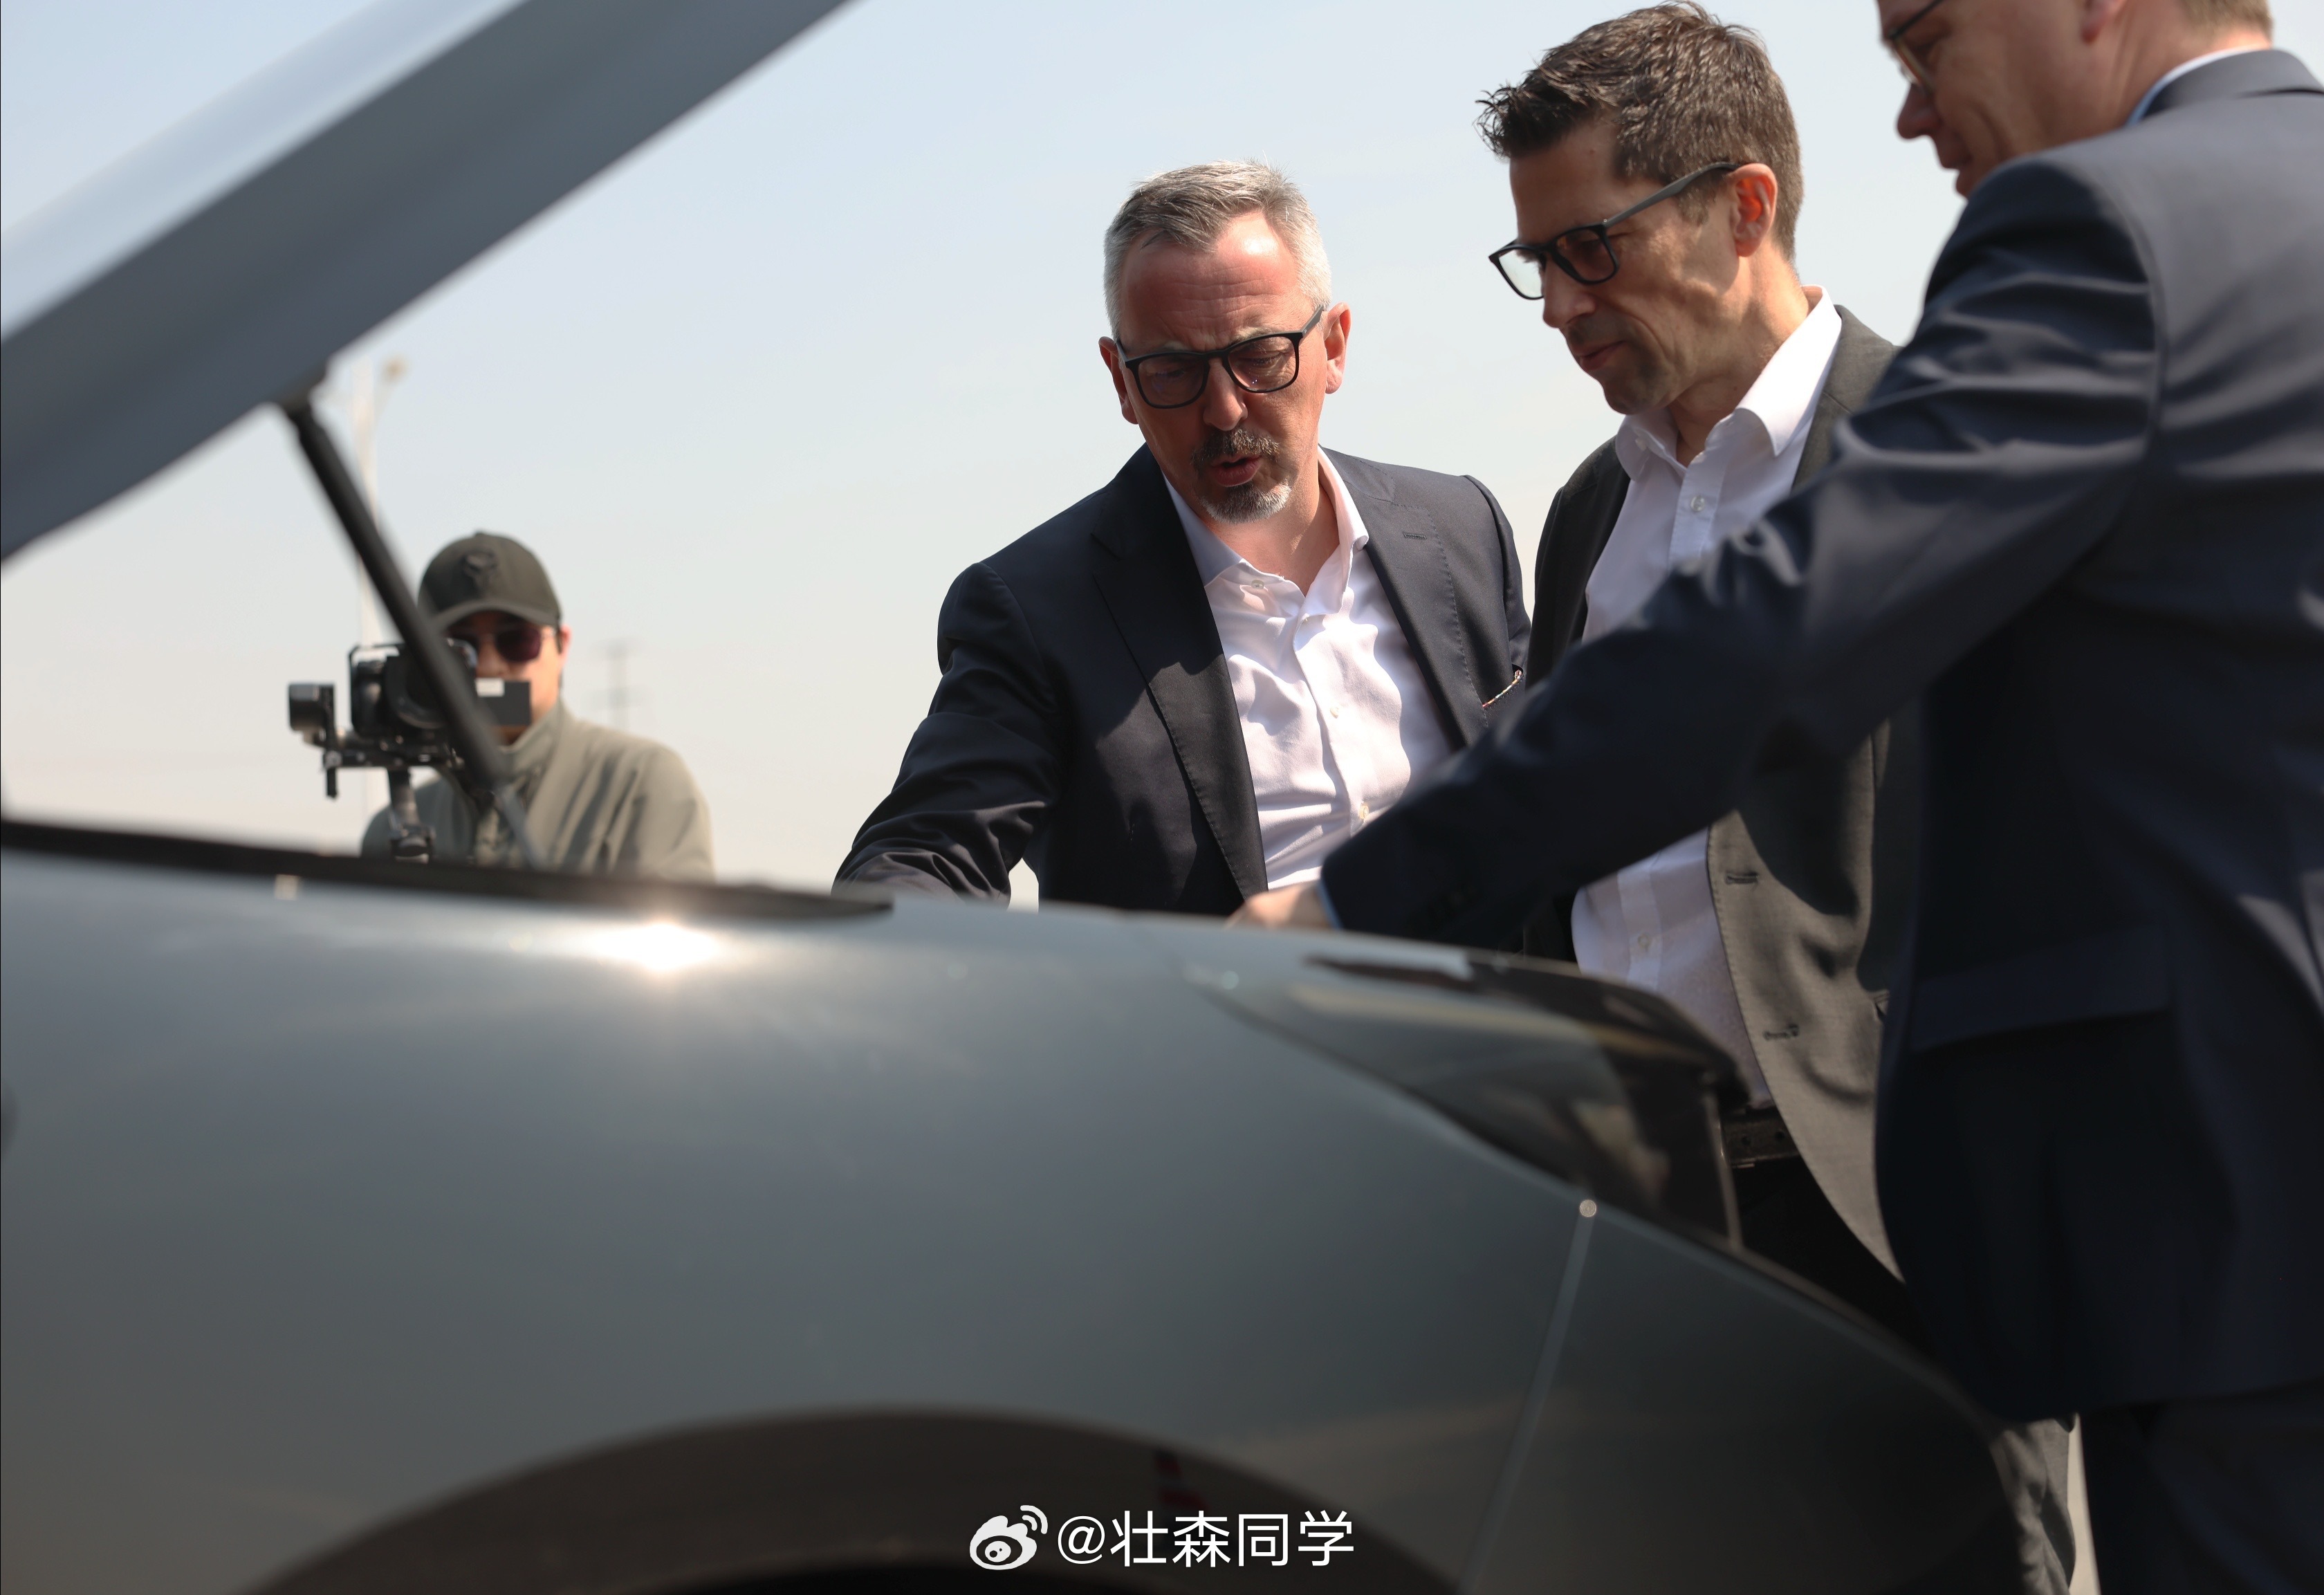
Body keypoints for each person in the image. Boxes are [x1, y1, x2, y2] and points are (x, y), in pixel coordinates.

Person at [1238, 2, 2323, 1589]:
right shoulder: (1592, 511)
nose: (1910, 112)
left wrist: (1352, 898)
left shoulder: (2105, 238)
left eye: (1928, 38)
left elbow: (1768, 648)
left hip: (2183, 1227)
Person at [1483, 8, 2078, 1587]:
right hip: (1641, 1251)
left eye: (1592, 249)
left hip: (1900, 1237)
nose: (1562, 305)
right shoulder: (1590, 515)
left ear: (1743, 206)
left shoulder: (1947, 441)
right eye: (1536, 262)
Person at [838, 163, 1528, 913]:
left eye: (1260, 356)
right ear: (1121, 381)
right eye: (1173, 371)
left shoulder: (1462, 527)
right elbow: (923, 858)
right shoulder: (1038, 613)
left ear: (1334, 346)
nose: (1225, 409)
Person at [362, 532, 714, 878]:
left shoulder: (639, 787)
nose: (489, 666)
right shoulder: (391, 831)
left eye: (517, 640)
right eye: (460, 647)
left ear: (562, 647)